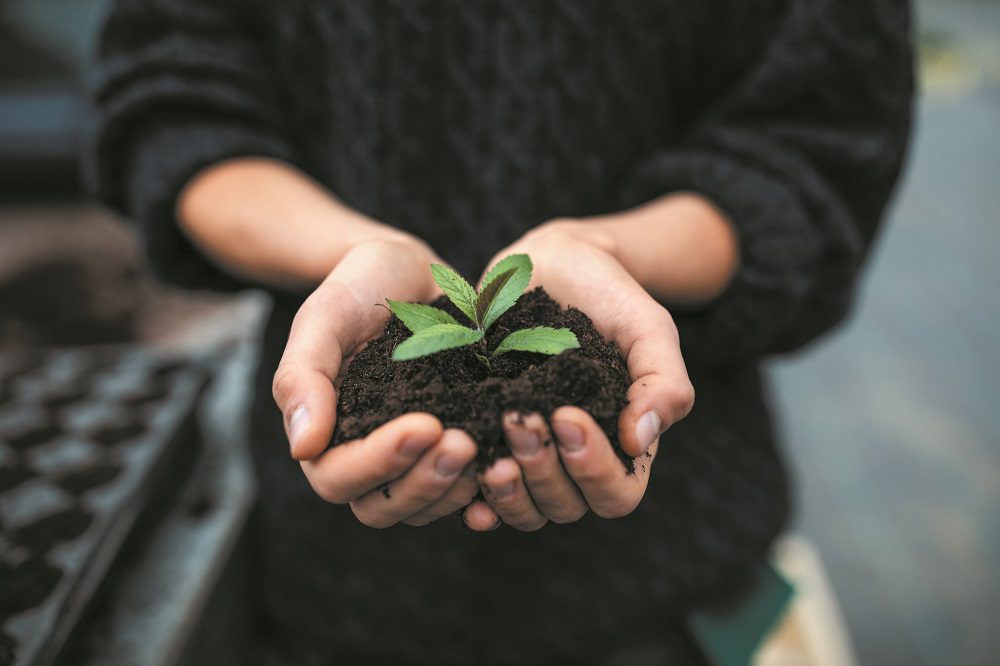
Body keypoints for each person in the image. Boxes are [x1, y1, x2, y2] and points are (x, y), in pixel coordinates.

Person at [88, 1, 913, 663]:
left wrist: (611, 249)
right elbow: (174, 99)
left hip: (664, 582)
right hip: (327, 587)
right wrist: (349, 251)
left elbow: (816, 138)